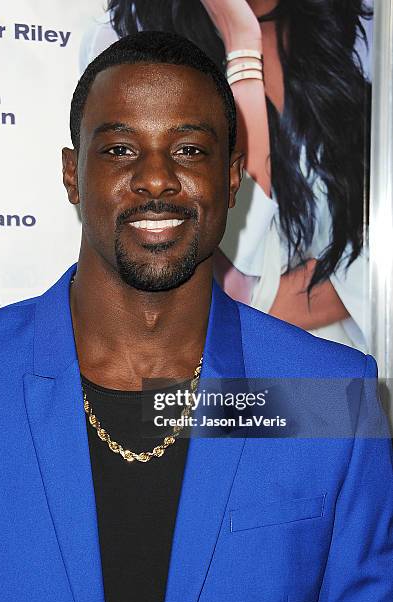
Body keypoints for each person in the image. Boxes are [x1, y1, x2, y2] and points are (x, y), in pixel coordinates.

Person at [0, 31, 392, 602]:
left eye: (188, 149)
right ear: (71, 174)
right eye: (119, 149)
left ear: (231, 177)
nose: (155, 178)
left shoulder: (330, 396)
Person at [81, 0, 373, 352]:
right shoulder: (122, 45)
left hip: (337, 375)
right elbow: (240, 275)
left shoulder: (347, 60)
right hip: (191, 380)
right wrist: (242, 45)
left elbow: (376, 278)